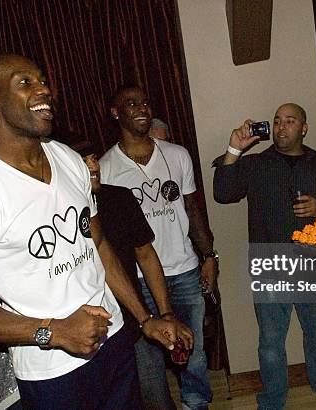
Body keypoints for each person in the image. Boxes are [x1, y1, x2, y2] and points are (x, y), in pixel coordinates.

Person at [0, 54, 183, 409]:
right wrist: (52, 331)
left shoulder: (67, 158)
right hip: (52, 369)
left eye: (42, 80)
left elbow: (97, 243)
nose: (44, 89)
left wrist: (144, 319)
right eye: (25, 83)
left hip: (114, 342)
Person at [213, 103, 316, 410]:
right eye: (277, 121)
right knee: (271, 342)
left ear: (303, 128)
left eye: (289, 121)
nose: (281, 127)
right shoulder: (255, 165)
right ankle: (273, 400)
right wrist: (234, 148)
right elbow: (223, 193)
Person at [100, 85, 217, 410]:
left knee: (192, 352)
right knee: (148, 363)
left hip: (184, 270)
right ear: (115, 112)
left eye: (146, 102)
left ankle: (196, 405)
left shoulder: (176, 155)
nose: (141, 109)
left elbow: (193, 209)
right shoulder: (107, 168)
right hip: (138, 281)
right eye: (131, 103)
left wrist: (208, 256)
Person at [80, 144, 192, 410]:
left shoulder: (119, 198)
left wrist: (165, 315)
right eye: (83, 161)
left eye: (94, 158)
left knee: (157, 401)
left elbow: (146, 255)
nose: (94, 167)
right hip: (85, 333)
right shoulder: (57, 210)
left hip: (133, 323)